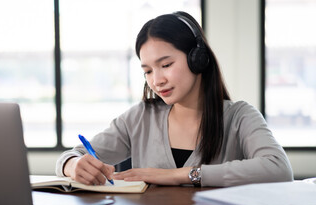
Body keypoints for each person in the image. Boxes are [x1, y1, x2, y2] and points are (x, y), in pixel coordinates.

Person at [55, 11, 293, 187]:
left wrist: (181, 174)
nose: (156, 80)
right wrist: (74, 166)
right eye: (147, 71)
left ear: (197, 59)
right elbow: (69, 156)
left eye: (166, 65)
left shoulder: (240, 116)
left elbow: (279, 169)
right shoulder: (139, 118)